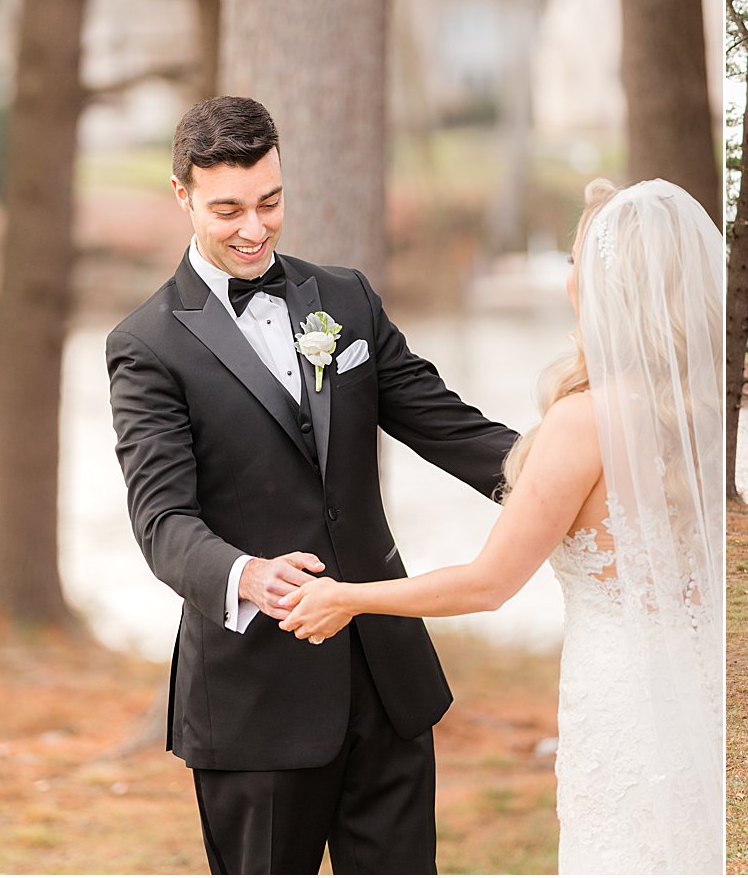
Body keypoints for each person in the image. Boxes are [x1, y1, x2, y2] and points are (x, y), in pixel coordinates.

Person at [106, 96, 520, 873]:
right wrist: (248, 574)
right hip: (255, 698)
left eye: (270, 201)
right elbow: (162, 520)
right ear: (181, 195)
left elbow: (446, 423)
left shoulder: (345, 299)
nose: (255, 228)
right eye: (227, 209)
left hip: (387, 675)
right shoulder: (146, 345)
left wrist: (562, 473)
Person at [278, 178, 724, 874]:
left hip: (621, 702)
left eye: (578, 263)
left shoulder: (587, 420)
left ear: (609, 285)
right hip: (696, 684)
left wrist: (349, 596)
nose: (571, 280)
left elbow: (488, 584)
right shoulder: (698, 414)